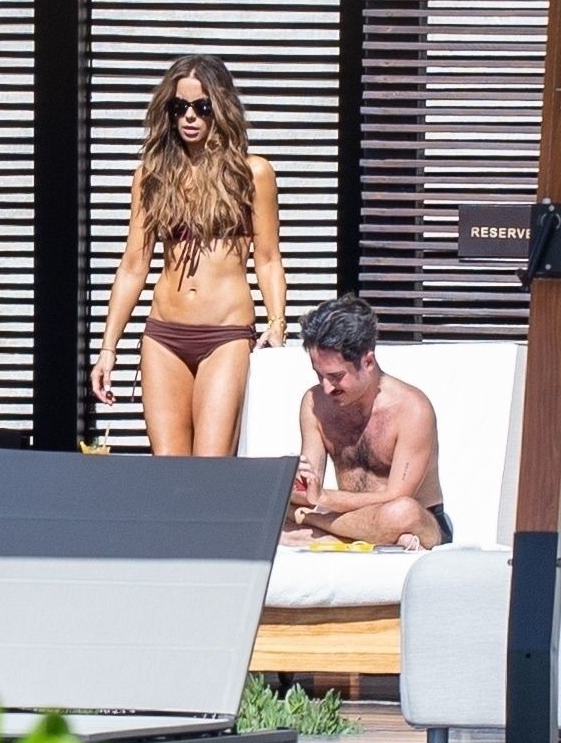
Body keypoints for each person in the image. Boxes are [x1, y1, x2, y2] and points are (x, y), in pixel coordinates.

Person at [90, 54, 286, 456]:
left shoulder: (253, 173)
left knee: (211, 465)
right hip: (164, 334)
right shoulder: (152, 175)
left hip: (226, 334)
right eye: (179, 107)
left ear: (222, 108)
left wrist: (277, 322)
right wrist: (108, 348)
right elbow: (133, 265)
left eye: (202, 107)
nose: (190, 117)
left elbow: (267, 258)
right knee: (169, 467)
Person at [284, 293, 452, 549]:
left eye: (336, 376)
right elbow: (308, 490)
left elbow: (397, 496)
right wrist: (295, 483)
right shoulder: (314, 402)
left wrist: (317, 505)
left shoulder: (412, 409)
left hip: (408, 517)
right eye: (319, 375)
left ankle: (321, 529)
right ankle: (362, 540)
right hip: (346, 516)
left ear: (368, 361)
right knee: (270, 508)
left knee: (403, 512)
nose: (326, 387)